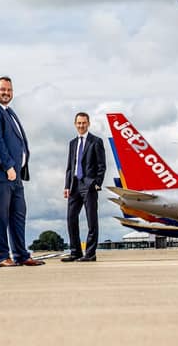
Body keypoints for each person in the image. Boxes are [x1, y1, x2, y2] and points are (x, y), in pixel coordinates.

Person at [0, 76, 44, 267]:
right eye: (2, 90)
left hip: (14, 176)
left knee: (18, 216)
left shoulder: (9, 112)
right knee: (0, 217)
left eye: (9, 90)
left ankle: (21, 255)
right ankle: (1, 256)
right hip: (0, 174)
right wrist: (8, 166)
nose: (6, 93)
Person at [61, 112, 106, 262]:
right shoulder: (72, 143)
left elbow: (102, 166)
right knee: (71, 218)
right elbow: (69, 166)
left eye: (84, 123)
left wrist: (97, 183)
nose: (81, 126)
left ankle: (90, 254)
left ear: (88, 124)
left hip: (89, 185)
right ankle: (75, 252)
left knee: (91, 220)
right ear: (75, 124)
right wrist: (67, 186)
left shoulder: (96, 141)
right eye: (79, 123)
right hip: (74, 185)